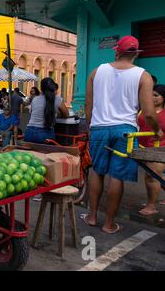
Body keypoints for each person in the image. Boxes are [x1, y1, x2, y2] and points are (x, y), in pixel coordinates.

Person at [84, 35, 162, 234]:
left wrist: (90, 126)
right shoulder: (143, 75)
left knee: (97, 171)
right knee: (116, 176)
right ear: (135, 54)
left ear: (117, 51)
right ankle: (109, 223)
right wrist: (157, 131)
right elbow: (149, 112)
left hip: (99, 128)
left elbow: (88, 106)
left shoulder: (96, 72)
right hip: (125, 131)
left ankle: (92, 216)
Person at [138, 84, 165, 215]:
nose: (153, 98)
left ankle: (151, 206)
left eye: (156, 95)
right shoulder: (144, 110)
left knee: (152, 177)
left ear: (163, 98)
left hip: (160, 149)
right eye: (151, 95)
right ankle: (150, 201)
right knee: (150, 176)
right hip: (143, 148)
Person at [24, 78, 69, 144]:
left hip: (29, 132)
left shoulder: (35, 99)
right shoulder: (57, 99)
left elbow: (33, 113)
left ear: (41, 88)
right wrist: (58, 114)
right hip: (45, 134)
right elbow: (66, 114)